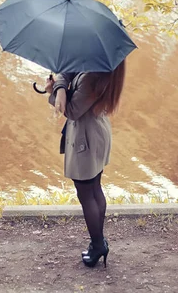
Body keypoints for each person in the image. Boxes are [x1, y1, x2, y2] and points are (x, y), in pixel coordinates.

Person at [44, 60, 126, 268]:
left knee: (86, 192)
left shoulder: (94, 75)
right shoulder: (96, 60)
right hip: (94, 131)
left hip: (86, 139)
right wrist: (61, 88)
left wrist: (53, 93)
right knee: (94, 188)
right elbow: (68, 70)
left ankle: (98, 244)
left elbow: (72, 111)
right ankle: (98, 242)